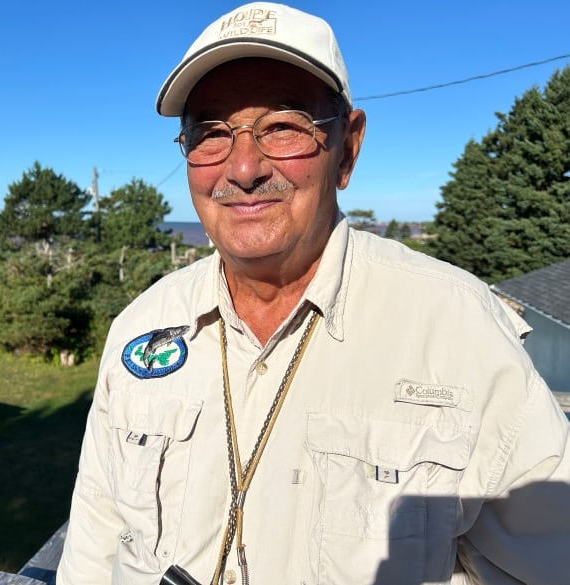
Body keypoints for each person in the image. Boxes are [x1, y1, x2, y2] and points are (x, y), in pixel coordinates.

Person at [57, 3, 570, 584]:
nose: (244, 166)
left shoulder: (460, 330)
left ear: (347, 148)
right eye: (209, 133)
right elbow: (94, 550)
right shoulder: (141, 328)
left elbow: (549, 566)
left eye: (283, 126)